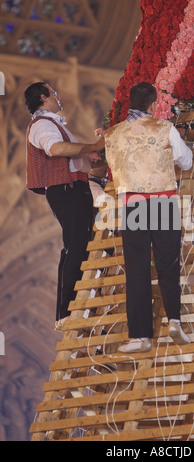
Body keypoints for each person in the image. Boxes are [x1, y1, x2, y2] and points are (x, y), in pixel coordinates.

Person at [104, 82, 193, 353]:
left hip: (132, 205)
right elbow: (186, 161)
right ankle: (175, 320)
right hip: (163, 201)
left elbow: (114, 165)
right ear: (153, 105)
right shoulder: (165, 128)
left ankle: (140, 336)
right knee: (168, 264)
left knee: (137, 269)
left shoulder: (112, 134)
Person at [24, 82, 105, 330]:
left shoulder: (54, 124)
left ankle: (73, 306)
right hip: (66, 189)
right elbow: (56, 149)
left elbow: (73, 157)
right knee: (76, 244)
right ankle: (67, 309)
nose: (59, 97)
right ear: (43, 97)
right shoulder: (43, 125)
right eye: (54, 93)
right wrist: (92, 147)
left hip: (76, 187)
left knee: (78, 243)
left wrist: (92, 156)